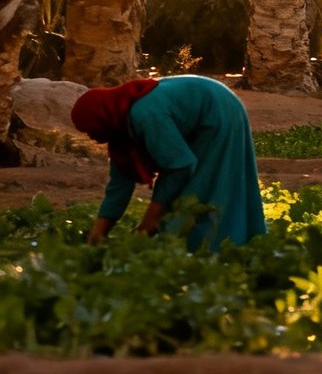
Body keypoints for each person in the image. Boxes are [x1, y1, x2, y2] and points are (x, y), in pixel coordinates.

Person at [71, 74, 266, 252]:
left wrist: (150, 221)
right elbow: (120, 183)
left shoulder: (144, 114)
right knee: (189, 198)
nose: (92, 136)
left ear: (102, 118)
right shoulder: (121, 125)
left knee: (202, 193)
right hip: (213, 103)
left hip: (216, 111)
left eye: (90, 129)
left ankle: (215, 253)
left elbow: (179, 166)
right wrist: (99, 232)